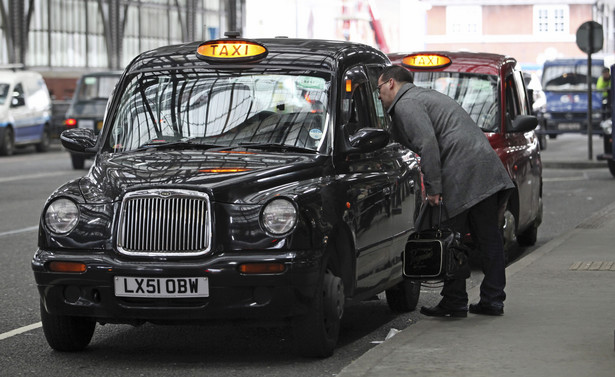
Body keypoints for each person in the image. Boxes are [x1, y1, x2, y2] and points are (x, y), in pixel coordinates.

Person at [377, 65, 514, 317]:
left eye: (379, 88)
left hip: (462, 172)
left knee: (450, 237)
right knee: (488, 237)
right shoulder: (425, 96)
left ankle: (455, 300)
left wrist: (433, 189)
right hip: (483, 167)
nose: (379, 94)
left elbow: (427, 143)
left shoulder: (406, 104)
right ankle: (493, 299)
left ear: (392, 83)